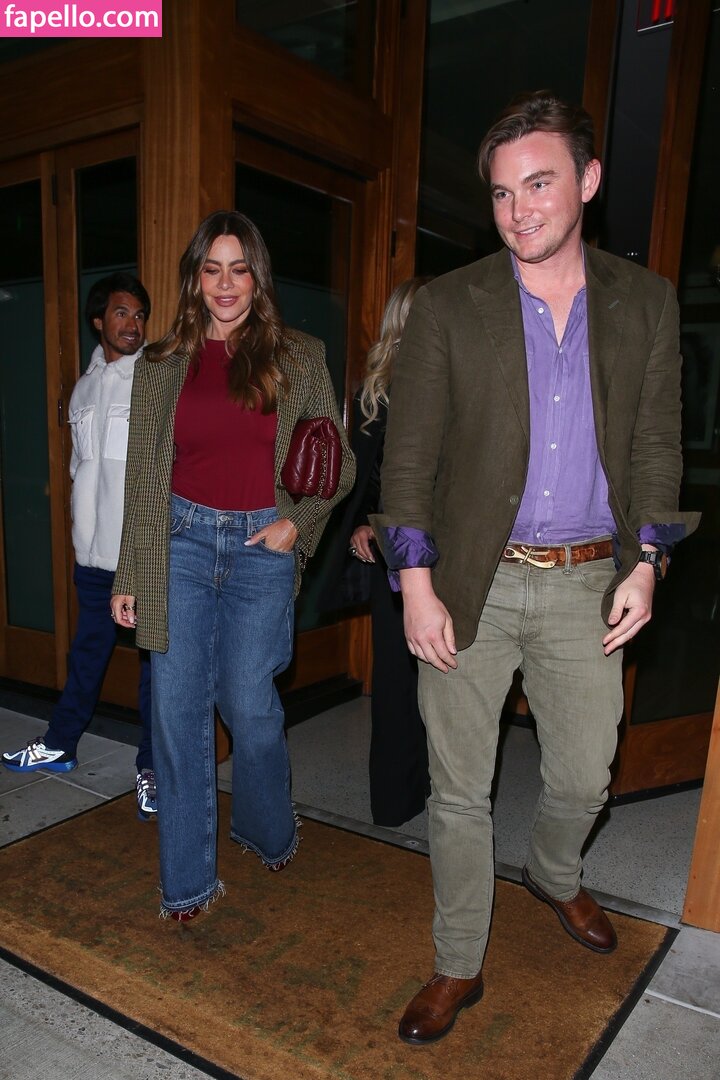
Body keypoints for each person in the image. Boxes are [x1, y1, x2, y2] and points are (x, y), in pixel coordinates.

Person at [370, 91, 700, 1044]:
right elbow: (408, 462)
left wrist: (647, 563)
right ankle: (457, 961)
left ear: (587, 181)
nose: (519, 211)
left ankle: (554, 873)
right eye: (503, 193)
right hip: (469, 578)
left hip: (588, 577)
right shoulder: (449, 304)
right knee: (458, 788)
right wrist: (416, 584)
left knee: (587, 774)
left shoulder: (645, 301)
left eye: (540, 184)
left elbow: (657, 446)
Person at [111, 210, 355, 921]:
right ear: (194, 278)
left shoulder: (299, 356)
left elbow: (339, 466)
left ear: (257, 277)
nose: (225, 284)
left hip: (260, 548)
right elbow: (143, 478)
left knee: (250, 706)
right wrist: (130, 575)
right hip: (180, 543)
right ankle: (186, 883)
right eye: (211, 269)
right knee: (177, 714)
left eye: (238, 269)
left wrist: (296, 525)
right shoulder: (160, 365)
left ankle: (267, 824)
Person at [3, 273, 157, 821]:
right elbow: (78, 467)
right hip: (90, 556)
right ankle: (60, 743)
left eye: (139, 314)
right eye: (121, 313)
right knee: (87, 654)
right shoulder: (84, 387)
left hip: (137, 557)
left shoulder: (153, 381)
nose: (133, 324)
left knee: (155, 668)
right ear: (99, 321)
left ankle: (153, 769)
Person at [323, 279, 430, 827]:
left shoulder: (470, 378)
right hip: (394, 548)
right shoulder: (380, 389)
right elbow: (364, 473)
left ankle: (447, 793)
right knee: (395, 676)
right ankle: (396, 800)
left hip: (457, 549)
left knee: (454, 677)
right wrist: (364, 524)